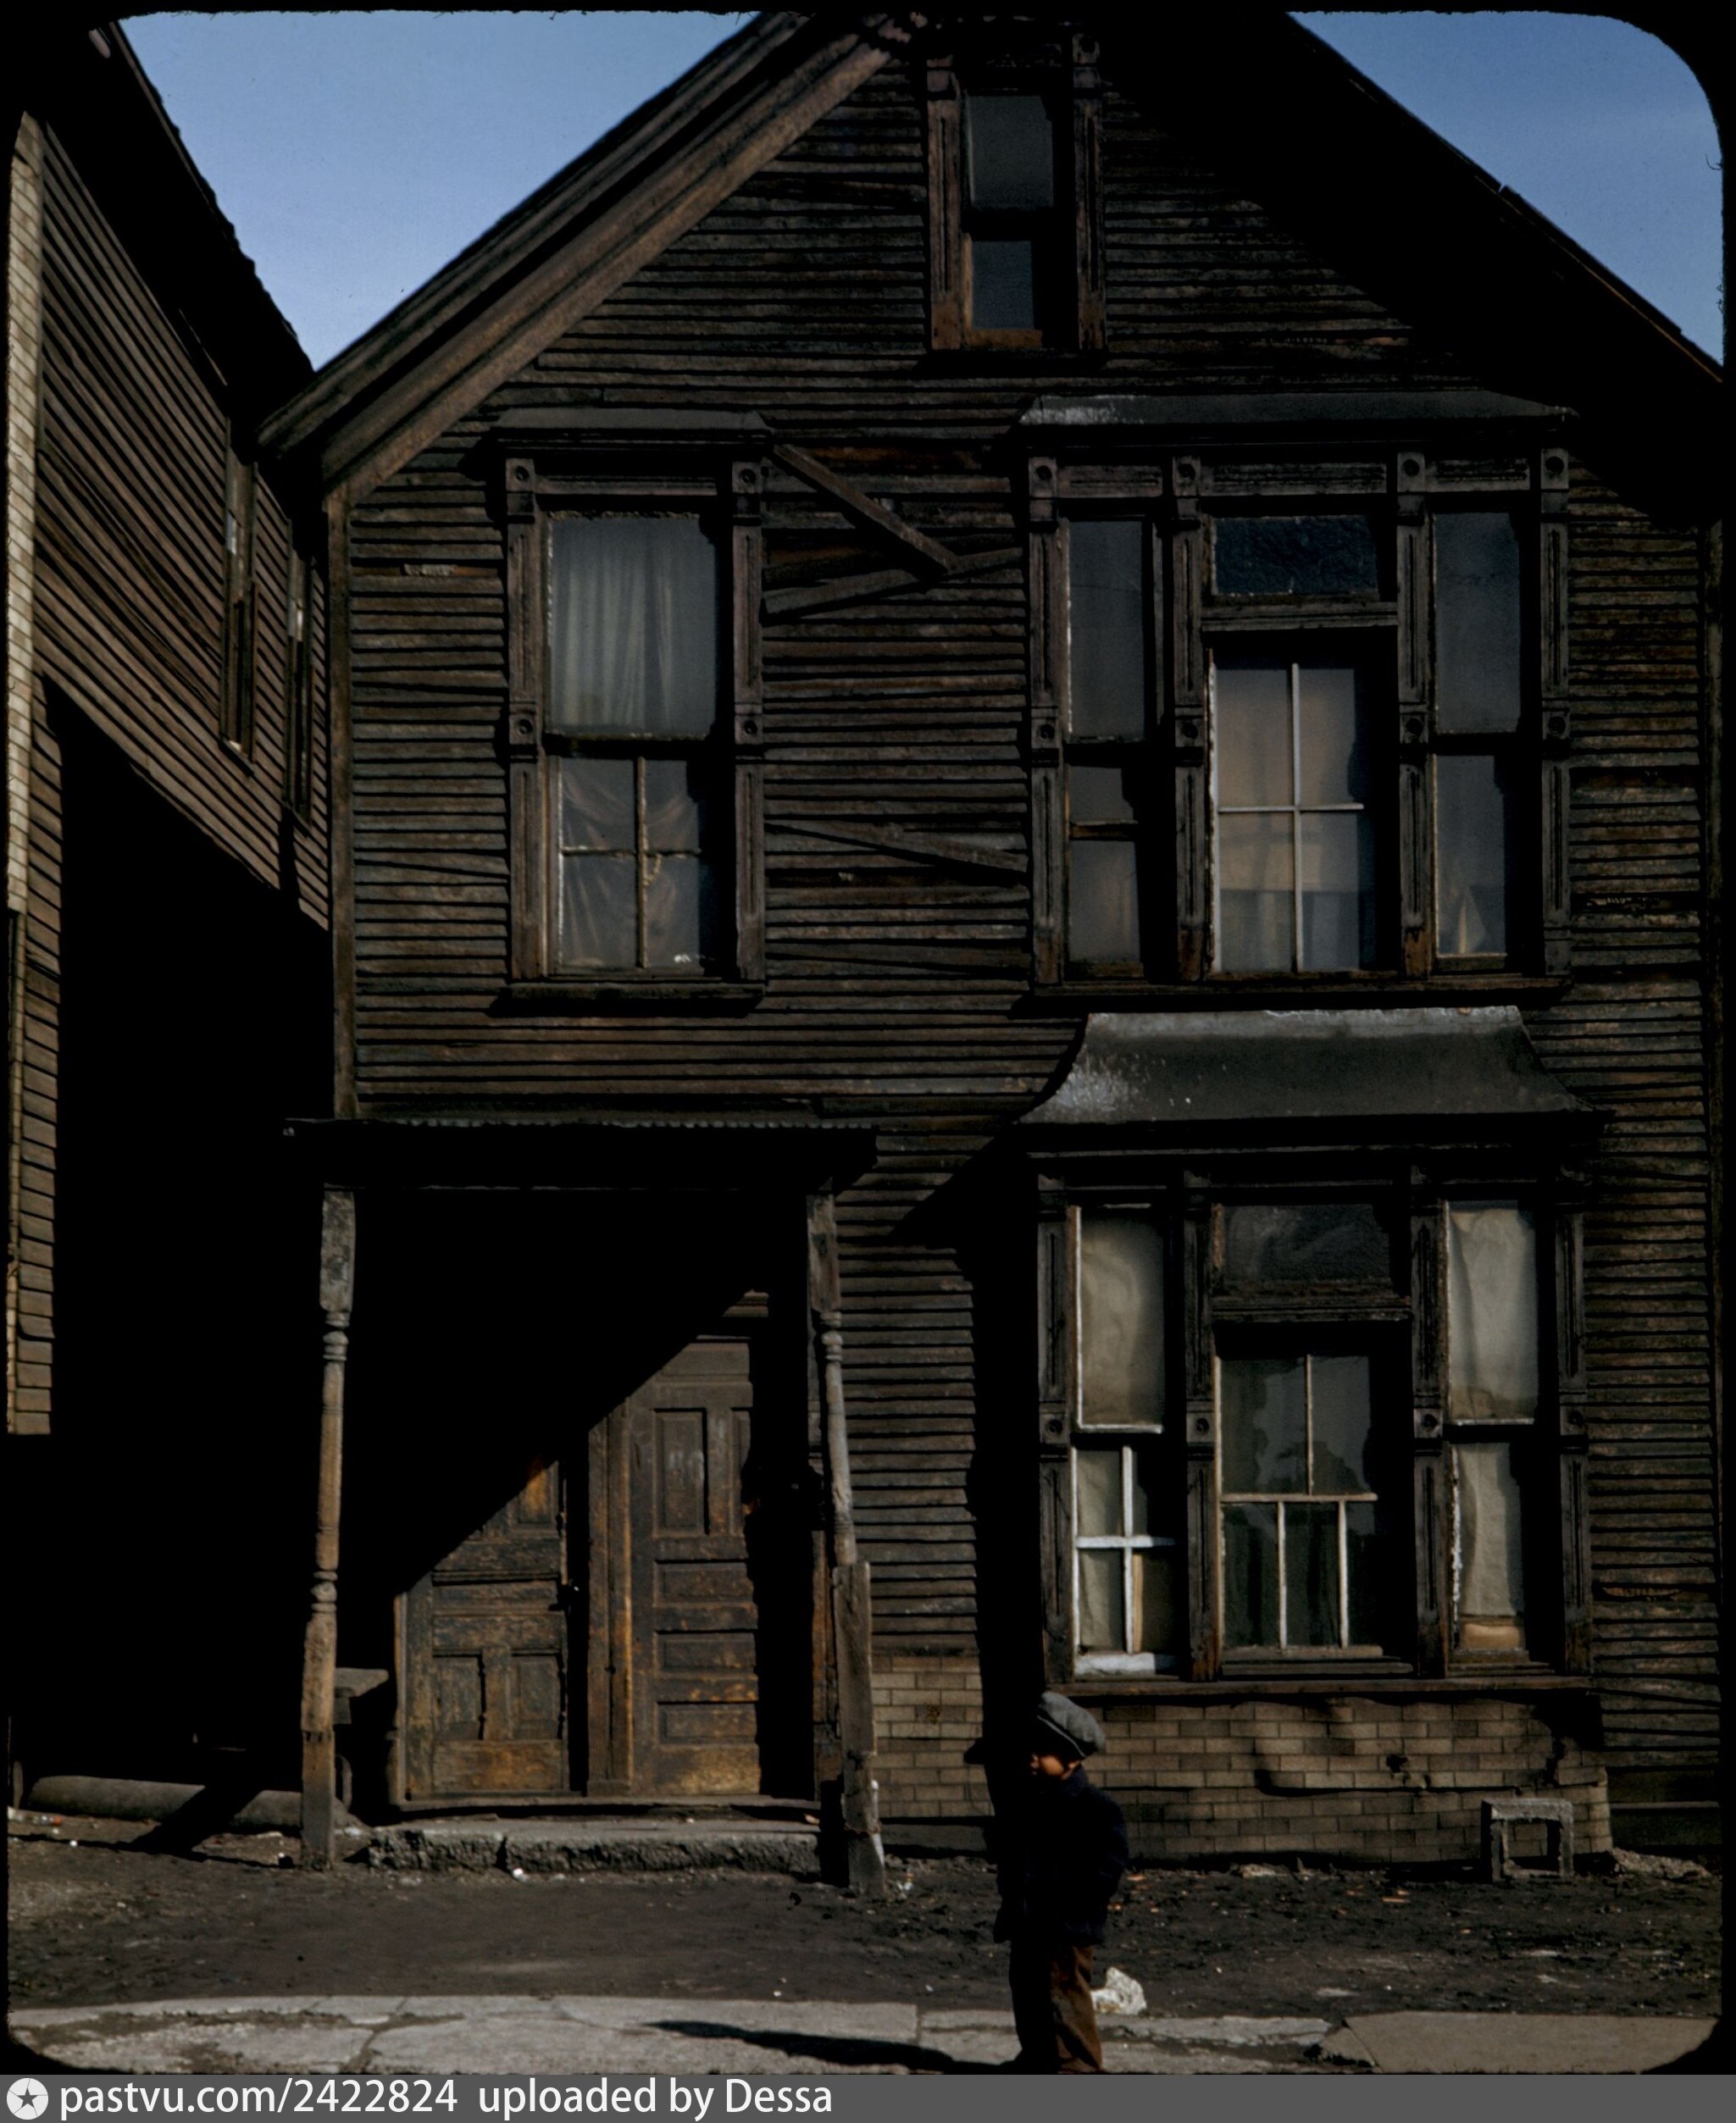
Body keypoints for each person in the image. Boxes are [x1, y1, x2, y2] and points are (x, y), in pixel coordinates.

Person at [990, 1691, 1129, 2074]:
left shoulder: (1095, 1808)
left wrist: (1079, 1903)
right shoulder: (1030, 1803)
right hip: (1027, 1919)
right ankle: (1038, 2056)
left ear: (1071, 1758)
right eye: (1030, 1749)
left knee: (1064, 1993)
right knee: (1028, 1989)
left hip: (1067, 1925)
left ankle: (1076, 2065)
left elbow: (1109, 1864)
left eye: (1043, 1750)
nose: (1032, 1757)